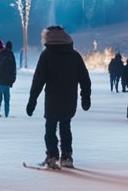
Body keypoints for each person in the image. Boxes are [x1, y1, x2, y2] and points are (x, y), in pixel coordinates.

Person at [26, 25, 91, 169]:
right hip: (69, 100)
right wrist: (85, 98)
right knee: (65, 127)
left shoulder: (46, 55)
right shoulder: (74, 56)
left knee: (50, 129)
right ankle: (66, 156)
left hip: (52, 100)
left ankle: (52, 156)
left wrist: (32, 101)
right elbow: (85, 79)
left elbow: (38, 80)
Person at [0, 40, 17, 118]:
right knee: (7, 99)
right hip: (7, 81)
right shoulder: (11, 55)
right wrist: (12, 80)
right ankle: (6, 114)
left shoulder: (0, 53)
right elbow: (13, 69)